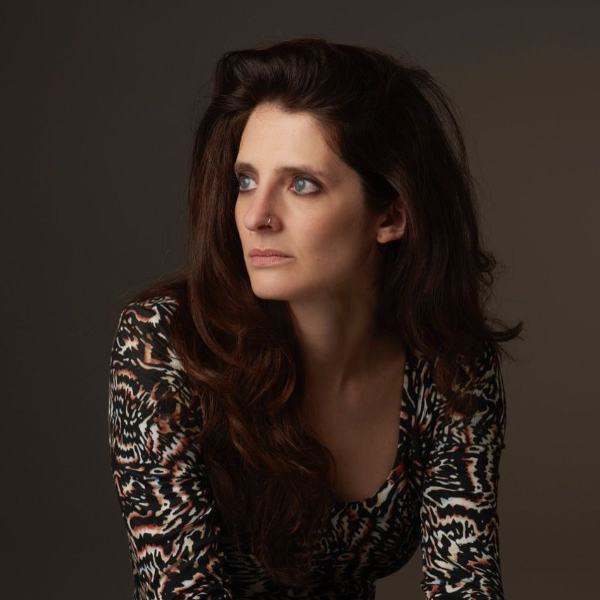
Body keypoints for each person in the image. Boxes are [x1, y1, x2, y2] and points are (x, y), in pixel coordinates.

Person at [108, 36, 522, 599]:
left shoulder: (450, 371)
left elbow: (466, 581)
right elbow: (178, 587)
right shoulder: (166, 343)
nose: (256, 216)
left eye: (301, 185)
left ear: (392, 215)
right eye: (246, 181)